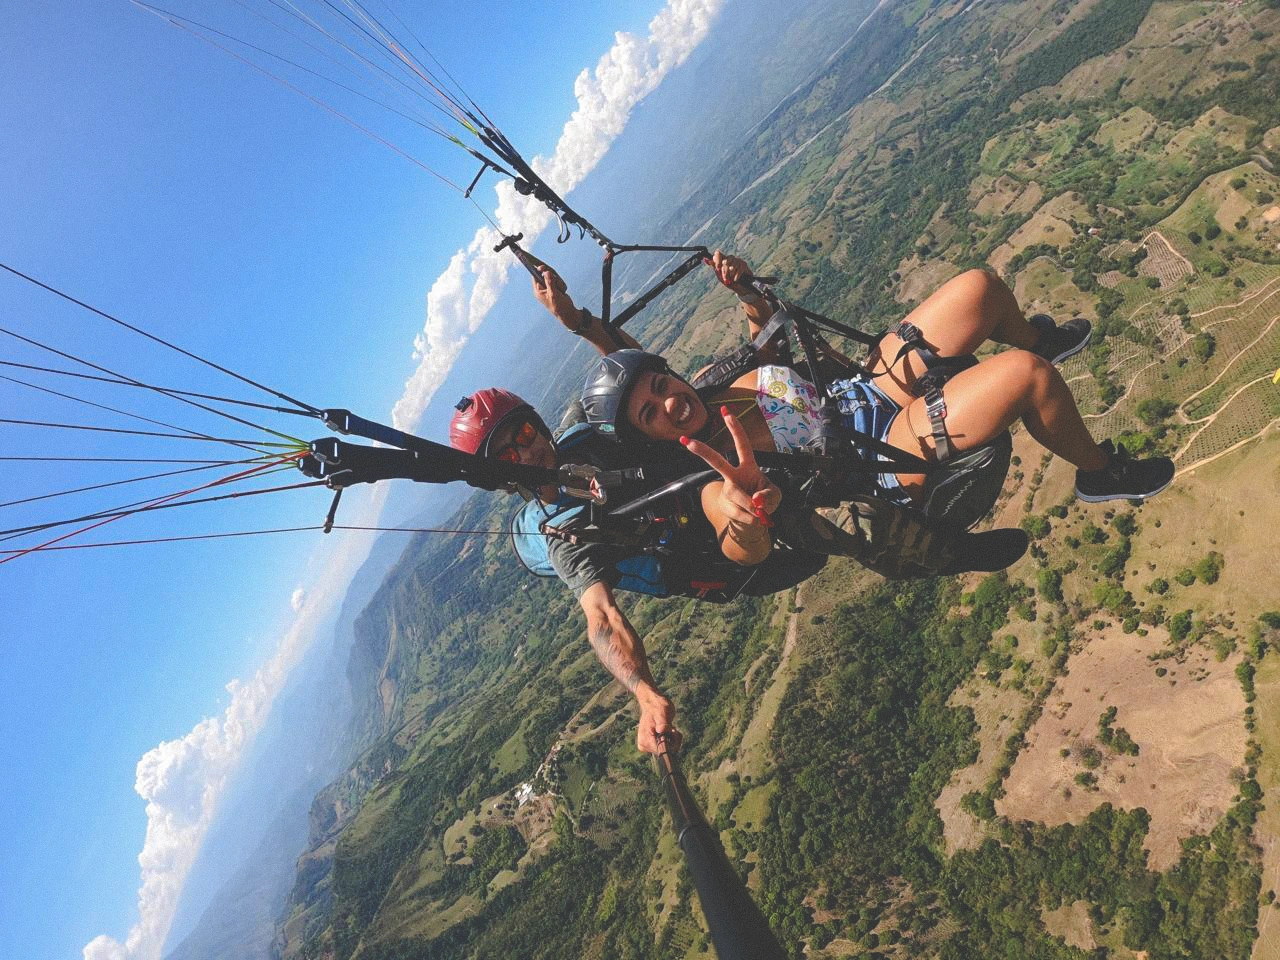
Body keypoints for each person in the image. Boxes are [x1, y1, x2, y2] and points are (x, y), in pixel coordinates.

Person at [566, 254, 1175, 557]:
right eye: (650, 414)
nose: (669, 403)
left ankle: (1039, 334)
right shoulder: (705, 472)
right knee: (1027, 378)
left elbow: (763, 337)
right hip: (881, 458)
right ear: (648, 438)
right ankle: (1100, 474)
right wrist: (748, 509)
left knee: (979, 288)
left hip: (861, 389)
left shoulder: (707, 380)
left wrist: (747, 290)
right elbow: (735, 537)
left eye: (660, 386)